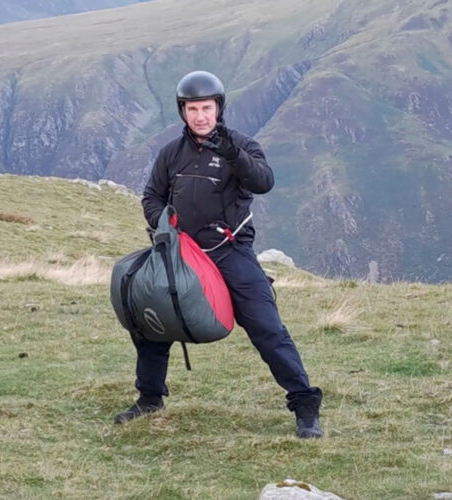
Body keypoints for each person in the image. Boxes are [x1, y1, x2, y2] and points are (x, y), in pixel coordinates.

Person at [115, 70, 323, 438]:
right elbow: (152, 196)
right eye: (192, 108)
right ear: (183, 111)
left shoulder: (241, 146)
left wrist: (232, 154)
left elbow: (264, 181)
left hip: (230, 252)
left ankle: (305, 404)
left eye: (206, 108)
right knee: (151, 318)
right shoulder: (171, 154)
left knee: (266, 326)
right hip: (180, 252)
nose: (200, 116)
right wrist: (165, 224)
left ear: (218, 108)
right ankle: (150, 397)